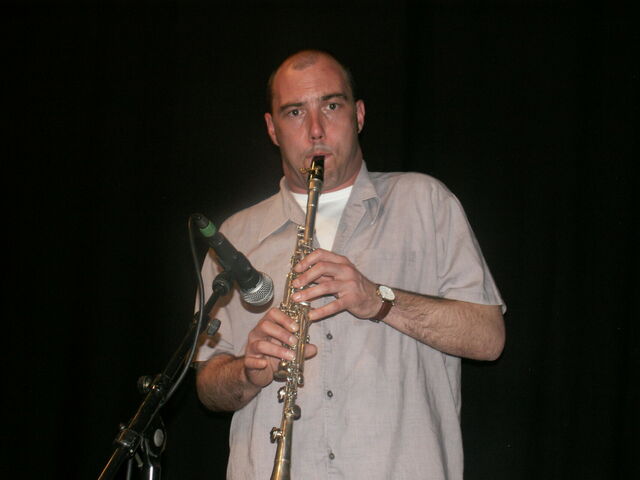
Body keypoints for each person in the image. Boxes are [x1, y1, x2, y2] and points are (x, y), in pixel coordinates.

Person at [195, 49, 505, 479]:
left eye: (331, 106)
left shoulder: (426, 202)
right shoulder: (235, 237)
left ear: (358, 115)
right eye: (295, 112)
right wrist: (247, 371)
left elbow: (488, 338)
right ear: (271, 128)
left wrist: (379, 300)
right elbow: (208, 386)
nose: (315, 130)